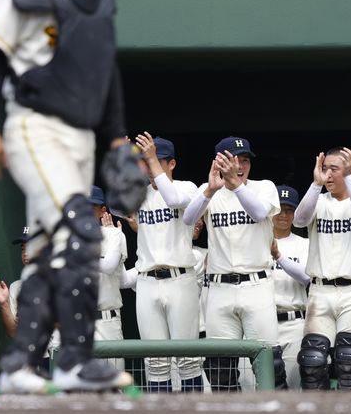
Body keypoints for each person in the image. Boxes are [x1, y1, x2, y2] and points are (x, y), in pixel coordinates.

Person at [0, 0, 142, 393]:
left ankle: (19, 365)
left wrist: (115, 142)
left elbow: (105, 74)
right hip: (33, 126)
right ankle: (70, 359)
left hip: (77, 135)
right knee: (82, 234)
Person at [181, 136, 281, 391]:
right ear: (219, 162)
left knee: (270, 365)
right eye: (233, 160)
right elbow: (188, 220)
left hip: (256, 285)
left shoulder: (264, 187)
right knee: (220, 370)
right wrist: (209, 190)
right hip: (219, 289)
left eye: (245, 160)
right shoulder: (209, 190)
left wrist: (236, 185)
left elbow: (259, 213)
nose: (240, 166)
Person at [293, 147, 351, 390]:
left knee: (349, 360)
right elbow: (299, 220)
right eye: (324, 168)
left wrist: (350, 177)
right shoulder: (318, 201)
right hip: (320, 290)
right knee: (312, 361)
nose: (328, 174)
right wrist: (315, 184)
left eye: (335, 169)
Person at [133, 133, 202, 393]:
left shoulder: (187, 187)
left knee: (187, 359)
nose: (149, 166)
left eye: (156, 161)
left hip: (180, 278)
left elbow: (173, 200)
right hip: (147, 281)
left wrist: (149, 160)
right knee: (155, 362)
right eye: (145, 161)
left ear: (171, 164)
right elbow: (116, 205)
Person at [0, 232, 61, 375]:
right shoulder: (16, 287)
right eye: (23, 248)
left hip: (58, 357)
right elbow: (13, 332)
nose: (25, 253)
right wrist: (4, 304)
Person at [270, 185, 310, 390]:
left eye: (289, 210)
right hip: (263, 323)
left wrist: (279, 256)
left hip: (294, 321)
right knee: (258, 388)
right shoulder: (255, 240)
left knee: (294, 390)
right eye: (279, 209)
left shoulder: (304, 243)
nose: (284, 215)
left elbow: (306, 277)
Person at [89, 186, 130, 372]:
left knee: (114, 385)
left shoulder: (113, 234)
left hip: (106, 320)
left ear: (102, 210)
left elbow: (110, 267)